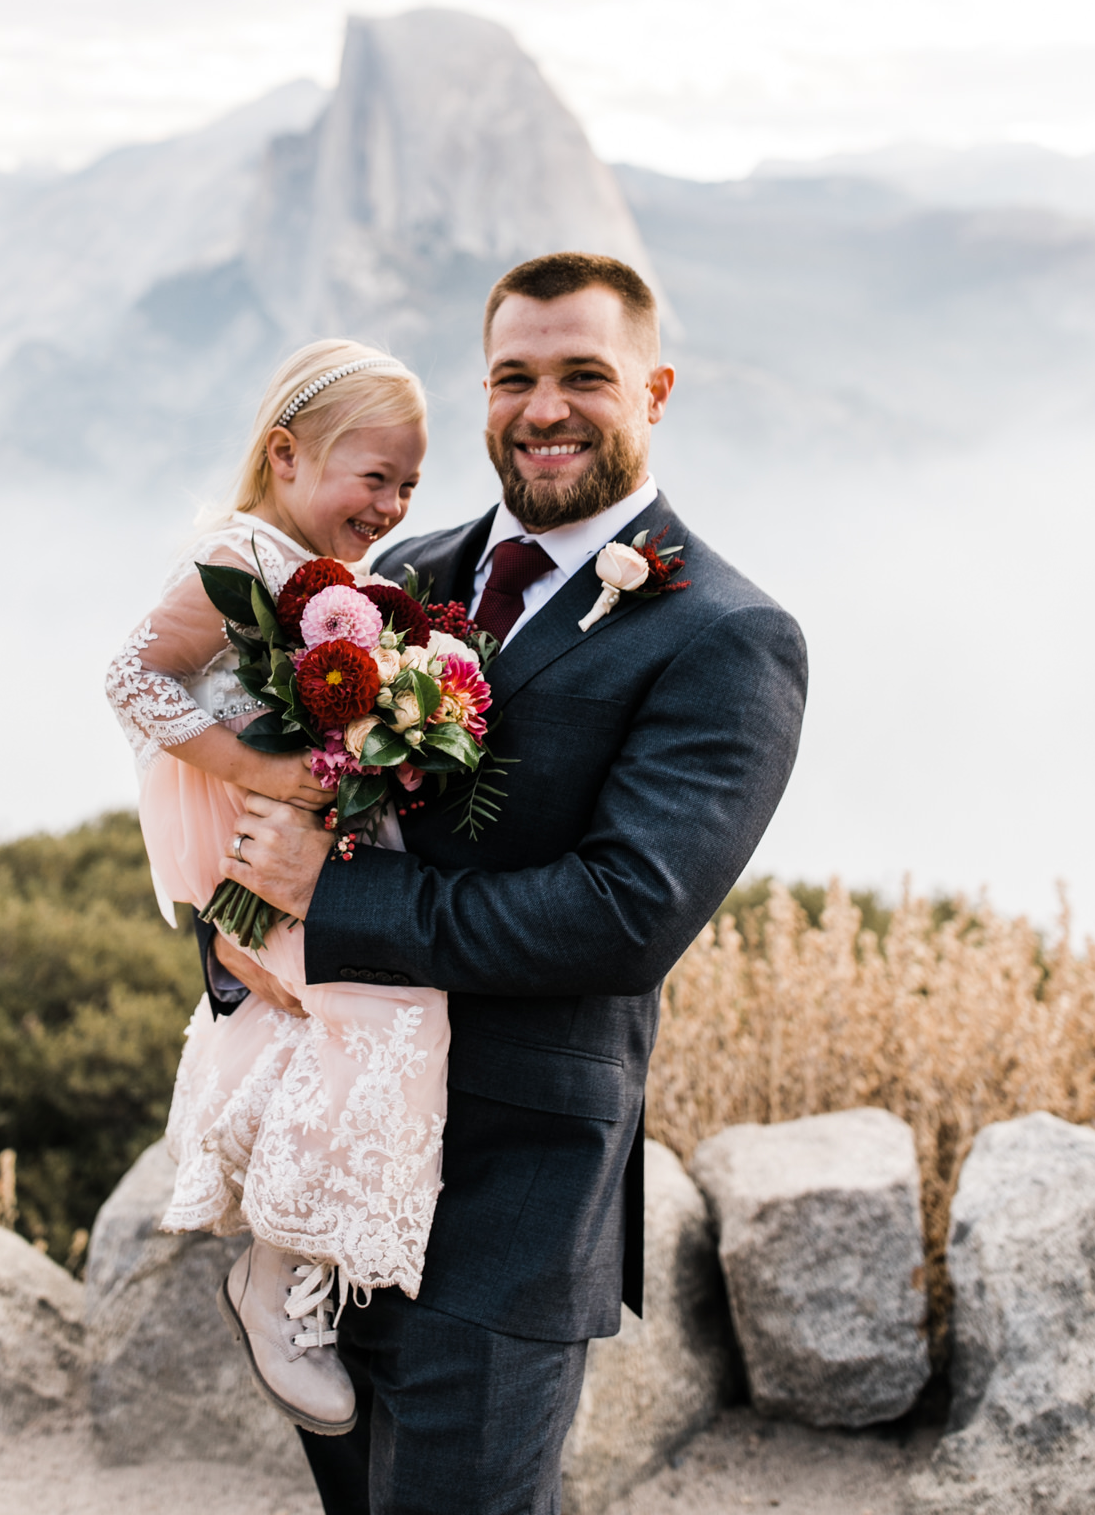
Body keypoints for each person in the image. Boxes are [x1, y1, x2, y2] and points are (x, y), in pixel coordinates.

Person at [204, 252, 809, 1515]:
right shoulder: (382, 578)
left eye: (584, 374)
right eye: (513, 376)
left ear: (655, 389)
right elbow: (272, 782)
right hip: (330, 1150)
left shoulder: (726, 637)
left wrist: (329, 901)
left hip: (510, 1183)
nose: (543, 408)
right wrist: (237, 923)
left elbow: (621, 913)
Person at [105, 340, 449, 1439]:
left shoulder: (348, 586)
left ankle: (301, 1249)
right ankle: (282, 1268)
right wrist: (261, 770)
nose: (392, 503)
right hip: (245, 834)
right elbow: (131, 676)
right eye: (374, 476)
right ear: (286, 454)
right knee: (378, 1006)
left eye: (409, 485)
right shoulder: (239, 556)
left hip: (300, 843)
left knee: (328, 1010)